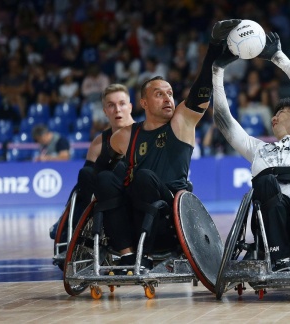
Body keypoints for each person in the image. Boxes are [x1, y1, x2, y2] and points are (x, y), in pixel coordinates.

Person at [92, 19, 241, 274]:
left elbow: (200, 92)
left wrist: (214, 49)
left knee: (143, 178)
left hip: (169, 215)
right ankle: (128, 256)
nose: (168, 98)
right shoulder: (126, 135)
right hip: (132, 217)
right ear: (144, 103)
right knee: (104, 179)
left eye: (170, 93)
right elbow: (102, 167)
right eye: (159, 94)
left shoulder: (181, 122)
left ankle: (146, 251)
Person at [212, 32, 290, 271]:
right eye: (274, 113)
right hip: (270, 223)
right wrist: (217, 71)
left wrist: (278, 57)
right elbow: (224, 121)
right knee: (265, 182)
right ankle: (280, 258)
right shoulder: (259, 149)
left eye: (281, 113)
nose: (274, 117)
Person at [49, 83, 135, 240]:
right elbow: (86, 183)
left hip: (134, 192)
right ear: (105, 111)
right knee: (85, 174)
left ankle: (67, 225)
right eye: (111, 105)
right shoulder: (98, 143)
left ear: (130, 107)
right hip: (105, 194)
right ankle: (75, 227)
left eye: (122, 104)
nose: (117, 110)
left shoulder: (144, 134)